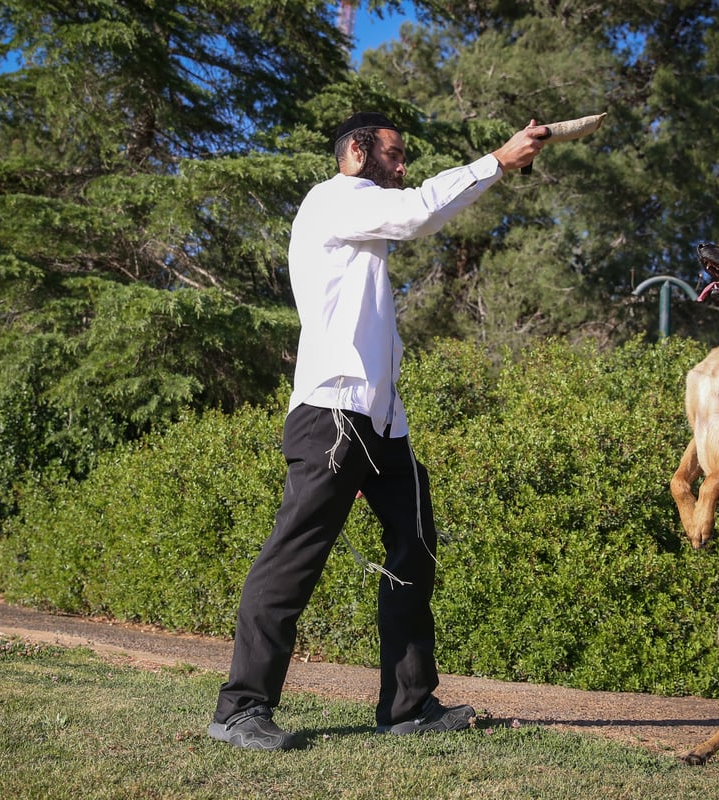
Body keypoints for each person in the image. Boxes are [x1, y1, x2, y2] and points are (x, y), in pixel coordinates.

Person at [209, 111, 548, 750]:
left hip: (383, 423)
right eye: (393, 154)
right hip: (332, 416)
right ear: (358, 152)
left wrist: (501, 169)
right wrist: (499, 161)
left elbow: (415, 218)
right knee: (294, 557)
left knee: (415, 550)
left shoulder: (366, 231)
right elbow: (421, 211)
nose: (402, 166)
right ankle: (240, 710)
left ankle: (407, 706)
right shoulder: (335, 200)